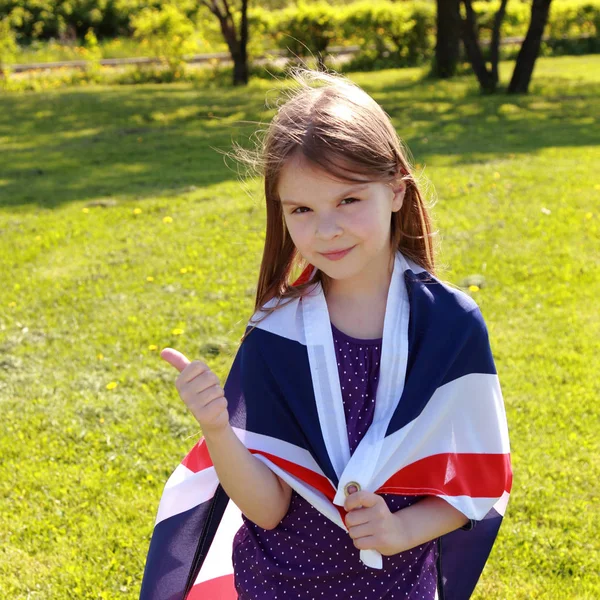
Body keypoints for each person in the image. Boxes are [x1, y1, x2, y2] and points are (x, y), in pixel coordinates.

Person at [140, 68, 512, 600]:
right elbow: (267, 509)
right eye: (302, 210)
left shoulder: (449, 326)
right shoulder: (276, 333)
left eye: (348, 200)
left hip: (395, 588)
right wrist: (219, 430)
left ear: (396, 192)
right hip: (276, 586)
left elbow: (478, 480)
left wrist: (400, 530)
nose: (326, 229)